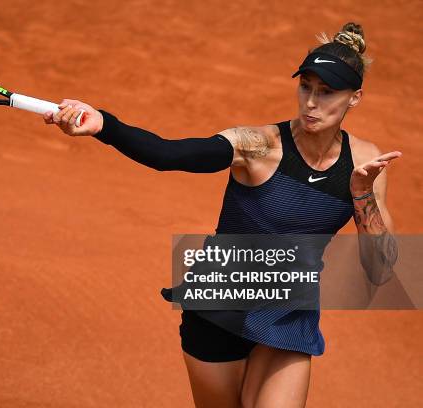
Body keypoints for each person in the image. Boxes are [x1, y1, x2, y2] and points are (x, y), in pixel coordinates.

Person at [43, 22, 400, 408]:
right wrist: (104, 125)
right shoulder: (258, 145)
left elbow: (380, 268)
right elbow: (168, 154)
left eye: (327, 92)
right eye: (306, 87)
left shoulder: (365, 162)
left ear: (355, 98)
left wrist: (362, 195)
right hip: (220, 305)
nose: (312, 102)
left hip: (286, 312)